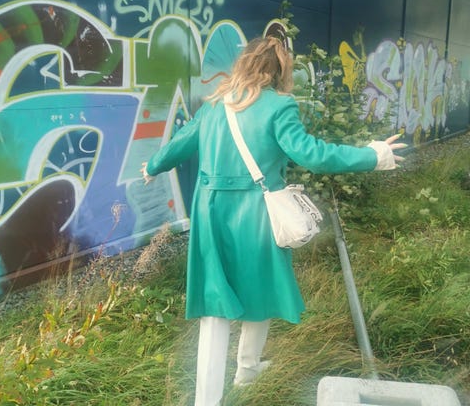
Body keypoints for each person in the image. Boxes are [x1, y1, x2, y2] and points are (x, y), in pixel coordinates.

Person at [140, 36, 405, 406]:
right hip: (256, 213)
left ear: (243, 63)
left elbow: (181, 141)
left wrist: (153, 166)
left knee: (214, 302)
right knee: (258, 286)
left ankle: (210, 397)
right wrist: (372, 155)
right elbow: (313, 155)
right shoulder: (280, 106)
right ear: (281, 70)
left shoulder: (215, 103)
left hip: (209, 212)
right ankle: (245, 373)